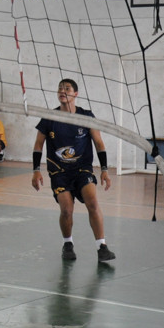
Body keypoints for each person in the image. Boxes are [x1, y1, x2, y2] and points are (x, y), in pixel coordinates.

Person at [31, 79, 115, 263]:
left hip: (82, 169)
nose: (63, 91)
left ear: (75, 94)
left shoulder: (86, 116)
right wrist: (36, 170)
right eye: (60, 88)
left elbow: (99, 143)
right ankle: (67, 244)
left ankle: (102, 247)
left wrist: (104, 170)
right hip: (59, 172)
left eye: (67, 88)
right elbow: (38, 144)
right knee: (67, 210)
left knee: (92, 202)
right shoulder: (49, 117)